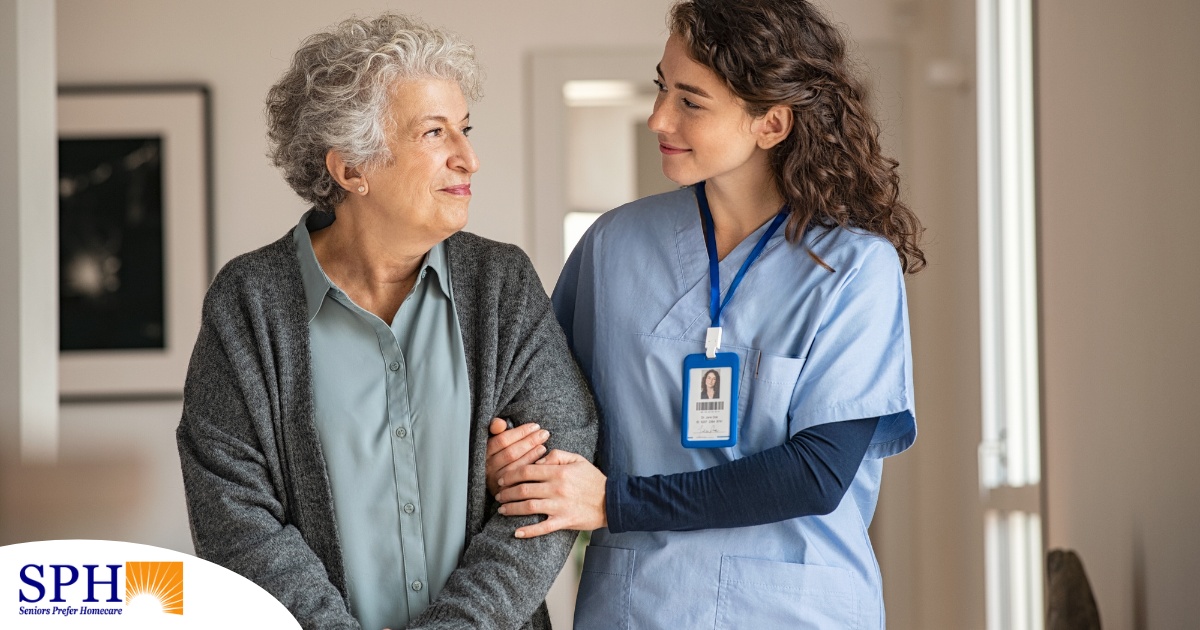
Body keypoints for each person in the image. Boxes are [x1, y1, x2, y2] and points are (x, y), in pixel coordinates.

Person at [485, 0, 924, 627]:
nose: (658, 116)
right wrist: (518, 457)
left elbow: (817, 473)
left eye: (691, 101)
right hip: (638, 607)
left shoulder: (854, 269)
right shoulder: (614, 246)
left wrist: (616, 501)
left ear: (771, 124)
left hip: (794, 612)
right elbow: (546, 412)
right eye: (662, 88)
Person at [176, 14, 597, 630]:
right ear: (351, 170)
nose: (469, 158)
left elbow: (556, 475)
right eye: (434, 133)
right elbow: (232, 514)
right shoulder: (249, 302)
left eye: (464, 129)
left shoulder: (500, 283)